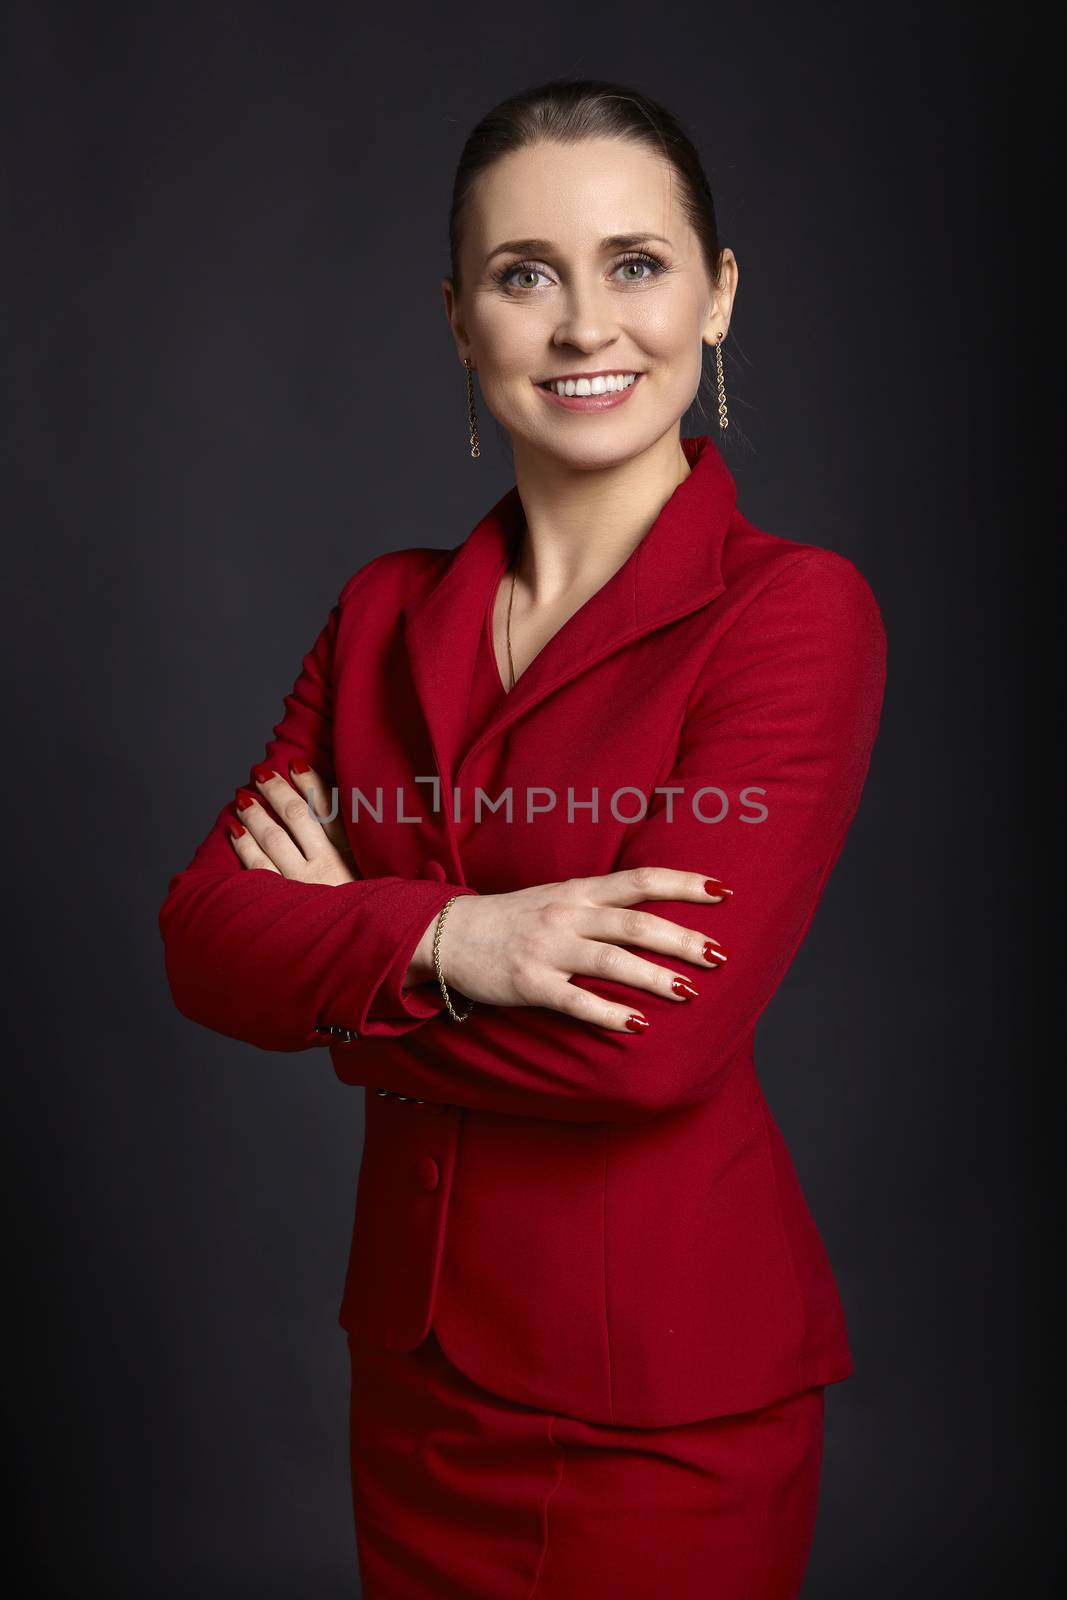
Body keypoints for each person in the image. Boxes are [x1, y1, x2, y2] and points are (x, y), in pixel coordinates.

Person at [159, 76, 887, 1600]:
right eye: (523, 275)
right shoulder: (378, 613)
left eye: (635, 264)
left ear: (719, 295)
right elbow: (202, 939)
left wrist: (346, 974)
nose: (583, 327)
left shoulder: (792, 614)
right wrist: (454, 938)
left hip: (663, 1414)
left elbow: (643, 1046)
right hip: (416, 1393)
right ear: (457, 317)